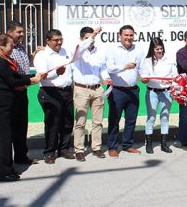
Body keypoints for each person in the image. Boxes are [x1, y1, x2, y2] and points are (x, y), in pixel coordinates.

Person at [0, 34, 41, 182]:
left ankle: (13, 164)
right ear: (1, 46)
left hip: (9, 104)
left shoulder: (6, 60)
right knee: (3, 140)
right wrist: (32, 80)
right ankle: (3, 172)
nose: (13, 48)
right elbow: (12, 81)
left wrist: (32, 77)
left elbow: (17, 76)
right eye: (11, 46)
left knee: (13, 135)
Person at [34, 29, 90, 164]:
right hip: (50, 92)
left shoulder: (65, 52)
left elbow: (76, 59)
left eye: (60, 39)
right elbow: (42, 76)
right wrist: (56, 73)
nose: (59, 42)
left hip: (66, 92)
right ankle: (49, 152)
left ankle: (63, 149)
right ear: (48, 41)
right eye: (55, 40)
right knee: (53, 123)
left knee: (67, 122)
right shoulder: (42, 55)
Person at [6, 20, 44, 165]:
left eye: (23, 31)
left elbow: (24, 65)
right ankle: (8, 161)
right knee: (10, 128)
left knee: (22, 127)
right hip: (11, 93)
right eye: (19, 32)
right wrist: (31, 80)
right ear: (10, 33)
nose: (22, 34)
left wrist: (34, 54)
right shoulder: (5, 49)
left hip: (22, 92)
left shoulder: (21, 48)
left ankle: (21, 157)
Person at [106, 25, 144, 157]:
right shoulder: (112, 50)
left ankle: (128, 145)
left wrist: (145, 77)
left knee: (131, 120)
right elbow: (109, 69)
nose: (129, 37)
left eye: (131, 35)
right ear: (119, 36)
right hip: (117, 91)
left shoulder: (138, 51)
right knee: (114, 120)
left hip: (133, 90)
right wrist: (124, 67)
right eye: (126, 35)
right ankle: (112, 146)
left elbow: (142, 69)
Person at [72, 27, 109, 162]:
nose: (91, 40)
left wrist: (106, 78)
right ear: (82, 38)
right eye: (88, 38)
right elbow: (82, 48)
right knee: (80, 121)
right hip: (81, 89)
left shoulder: (100, 52)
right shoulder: (78, 50)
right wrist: (92, 35)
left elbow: (103, 68)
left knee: (97, 121)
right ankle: (79, 149)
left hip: (97, 88)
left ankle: (96, 147)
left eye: (93, 38)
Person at [140, 37, 177, 154]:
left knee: (165, 117)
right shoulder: (147, 61)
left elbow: (175, 75)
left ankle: (164, 144)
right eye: (156, 49)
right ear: (152, 49)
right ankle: (149, 144)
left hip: (166, 92)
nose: (159, 51)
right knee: (151, 118)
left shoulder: (169, 59)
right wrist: (145, 79)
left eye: (161, 48)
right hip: (152, 92)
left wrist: (170, 81)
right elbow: (145, 75)